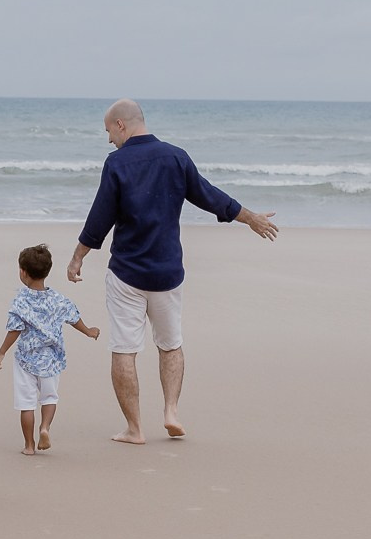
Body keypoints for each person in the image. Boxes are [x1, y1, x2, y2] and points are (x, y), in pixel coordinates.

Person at [68, 99, 278, 444]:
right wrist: (249, 217)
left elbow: (99, 217)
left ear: (121, 125)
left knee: (124, 349)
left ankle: (135, 429)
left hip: (126, 274)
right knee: (171, 345)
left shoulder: (117, 163)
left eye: (108, 131)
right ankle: (171, 412)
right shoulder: (176, 157)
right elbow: (209, 196)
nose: (108, 140)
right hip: (167, 274)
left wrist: (78, 257)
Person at [0, 243, 100, 455]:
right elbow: (73, 318)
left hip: (26, 359)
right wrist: (88, 331)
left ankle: (29, 446)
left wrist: (2, 351)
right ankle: (45, 428)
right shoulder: (58, 299)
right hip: (51, 358)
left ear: (23, 272)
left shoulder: (21, 300)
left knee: (26, 403)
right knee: (49, 397)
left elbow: (15, 329)